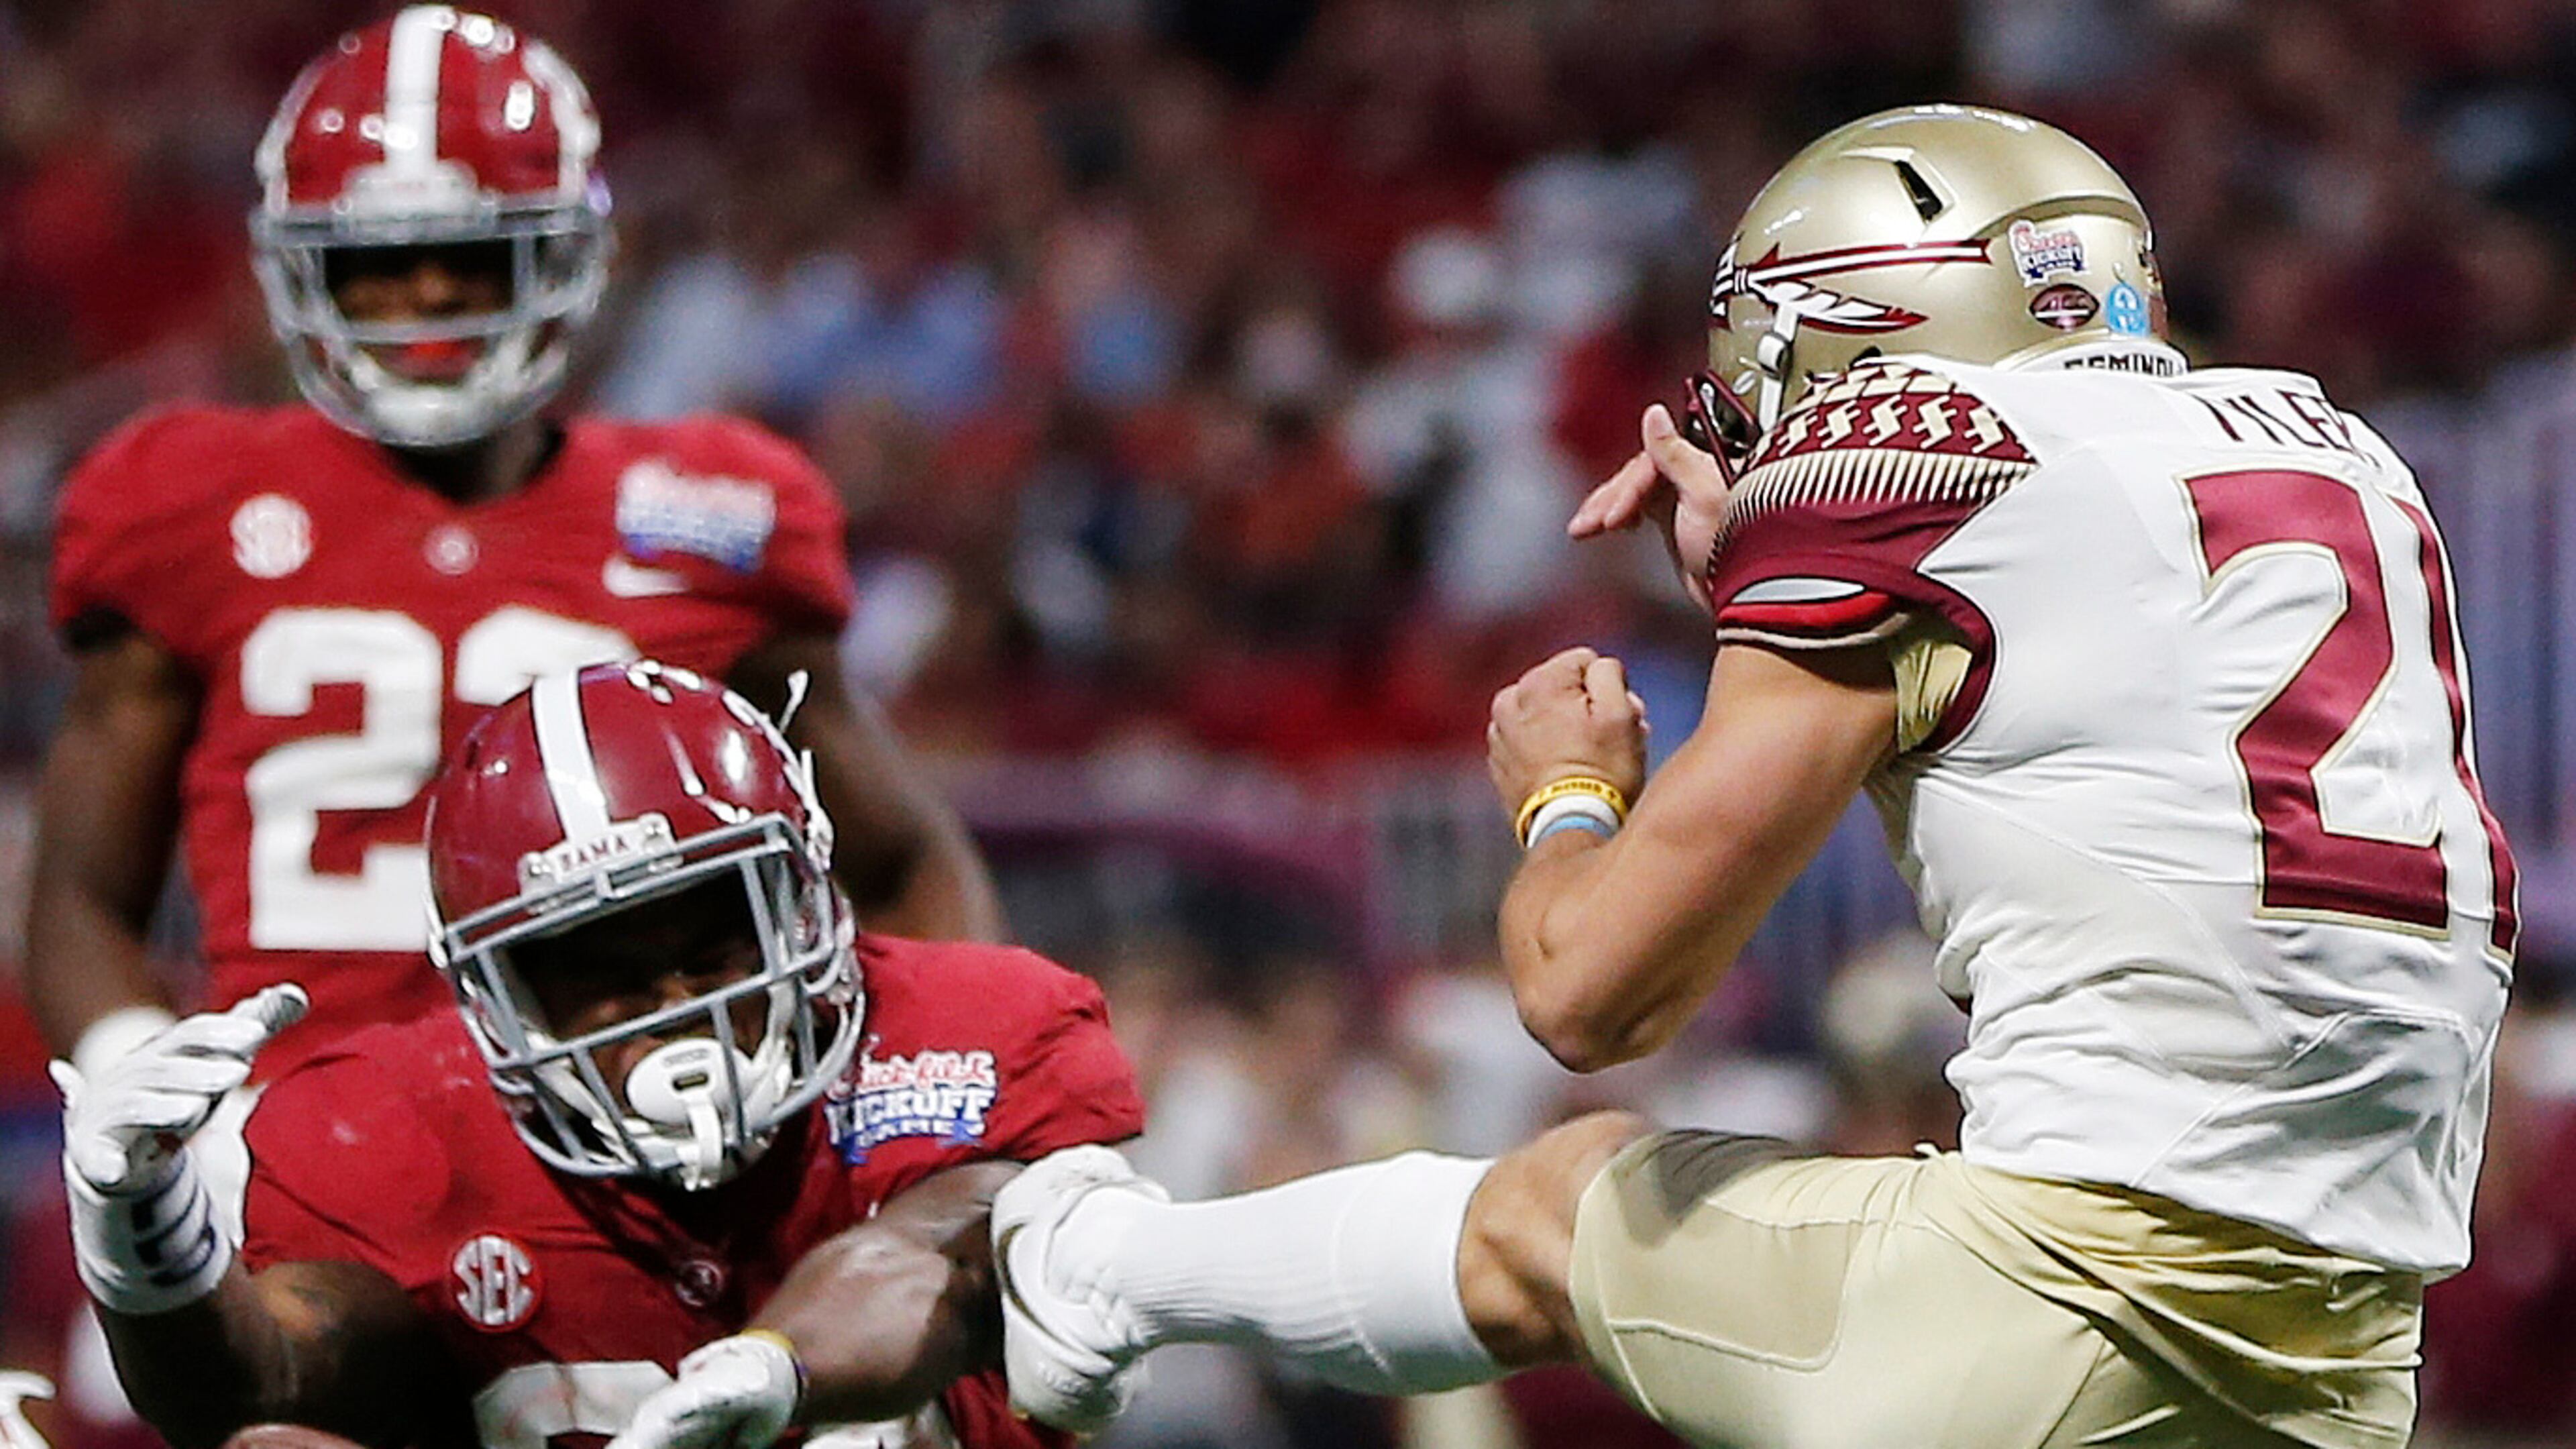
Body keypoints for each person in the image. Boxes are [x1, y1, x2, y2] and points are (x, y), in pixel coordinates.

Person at [989, 105, 2517, 1449]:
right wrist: (1767, 610)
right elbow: (2065, 741)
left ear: (1865, 318)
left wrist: (1567, 797)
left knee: (1555, 1203)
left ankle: (1091, 1283)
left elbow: (1591, 996)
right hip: (2350, 1348)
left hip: (2064, 1304)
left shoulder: (1909, 466)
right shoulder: (2337, 451)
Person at [25, 3, 1002, 1104]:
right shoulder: (183, 502)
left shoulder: (708, 517)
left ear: (566, 251)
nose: (429, 298)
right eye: (377, 266)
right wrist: (149, 1097)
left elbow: (904, 865)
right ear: (300, 270)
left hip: (630, 1136)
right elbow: (81, 899)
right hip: (287, 1138)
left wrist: (905, 1092)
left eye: (472, 257)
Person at [50, 661, 1141, 1449]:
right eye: (593, 970)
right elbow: (261, 1388)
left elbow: (942, 1261)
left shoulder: (970, 1026)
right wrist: (146, 1238)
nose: (671, 1011)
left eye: (717, 942)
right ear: (493, 993)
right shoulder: (384, 1130)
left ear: (806, 906)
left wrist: (773, 1369)